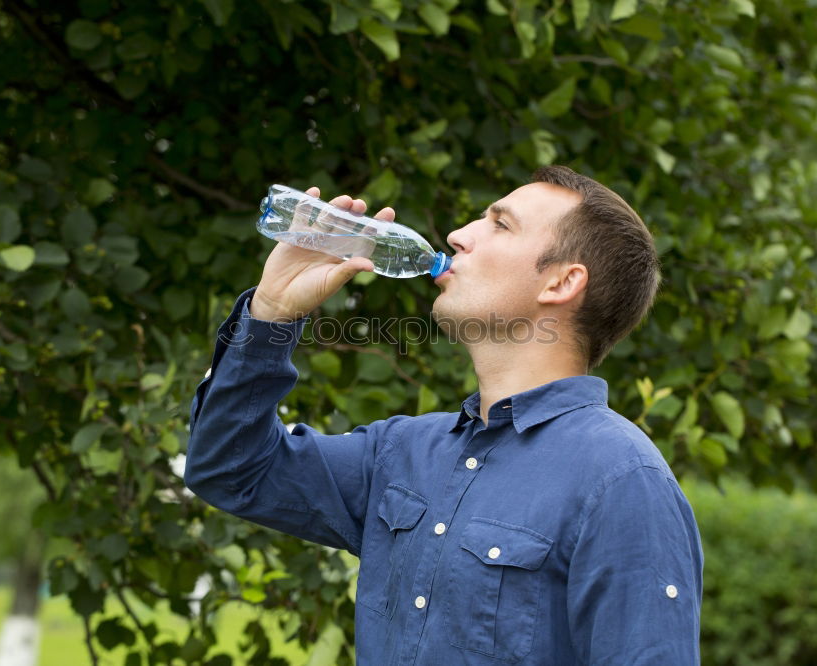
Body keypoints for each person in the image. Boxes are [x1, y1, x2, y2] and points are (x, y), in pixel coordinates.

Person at [184, 165, 703, 664]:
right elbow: (230, 470)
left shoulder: (622, 482)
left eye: (500, 224)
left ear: (561, 283)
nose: (457, 235)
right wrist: (271, 314)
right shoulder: (401, 452)